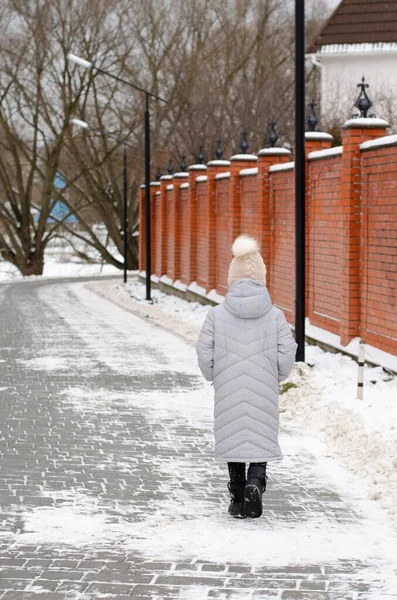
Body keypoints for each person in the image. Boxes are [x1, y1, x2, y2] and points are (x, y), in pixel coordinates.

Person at [196, 235, 297, 518]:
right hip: (263, 385)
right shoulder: (275, 315)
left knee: (234, 436)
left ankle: (238, 494)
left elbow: (204, 350)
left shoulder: (216, 315)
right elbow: (288, 349)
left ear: (232, 279)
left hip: (228, 387)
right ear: (262, 279)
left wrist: (213, 374)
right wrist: (278, 374)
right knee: (258, 432)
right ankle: (257, 480)